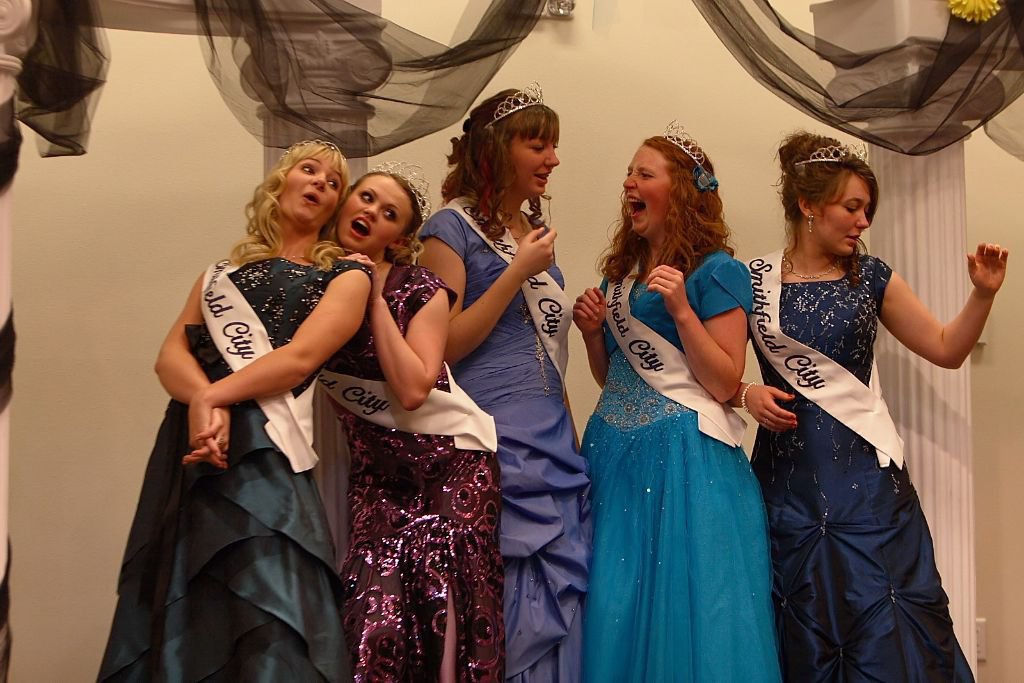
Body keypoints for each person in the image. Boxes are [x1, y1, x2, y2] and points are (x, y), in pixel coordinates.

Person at [98, 140, 372, 682]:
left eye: (333, 181)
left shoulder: (346, 277)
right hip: (198, 442)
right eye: (308, 170)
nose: (319, 183)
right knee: (191, 598)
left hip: (265, 446)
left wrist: (213, 397)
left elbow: (299, 359)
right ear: (281, 183)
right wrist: (203, 398)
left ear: (337, 207)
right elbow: (170, 355)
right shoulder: (218, 276)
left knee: (270, 604)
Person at [739, 131, 1008, 681]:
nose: (863, 222)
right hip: (785, 486)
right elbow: (714, 371)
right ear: (809, 205)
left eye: (868, 210)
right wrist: (747, 393)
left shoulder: (872, 278)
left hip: (868, 486)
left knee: (888, 622)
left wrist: (981, 295)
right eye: (852, 207)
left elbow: (945, 348)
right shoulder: (753, 281)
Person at [573, 124, 780, 682]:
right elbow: (611, 376)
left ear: (683, 190)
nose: (628, 184)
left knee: (688, 612)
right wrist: (594, 335)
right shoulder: (620, 276)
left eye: (644, 174)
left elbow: (723, 380)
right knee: (614, 603)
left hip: (686, 461)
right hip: (612, 453)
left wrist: (684, 312)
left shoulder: (719, 271)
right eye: (629, 173)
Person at [418, 83, 591, 682]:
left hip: (551, 436)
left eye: (553, 146)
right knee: (517, 593)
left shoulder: (532, 230)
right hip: (494, 433)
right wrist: (516, 270)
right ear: (495, 149)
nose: (553, 159)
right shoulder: (449, 228)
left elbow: (552, 352)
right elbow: (444, 345)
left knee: (564, 597)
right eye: (538, 145)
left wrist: (569, 432)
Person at [319, 163, 505, 681]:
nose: (370, 212)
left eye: (389, 213)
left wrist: (373, 297)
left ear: (398, 237)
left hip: (453, 471)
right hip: (378, 480)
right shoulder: (316, 283)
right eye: (366, 197)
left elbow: (413, 388)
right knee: (374, 626)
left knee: (445, 619)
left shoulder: (420, 286)